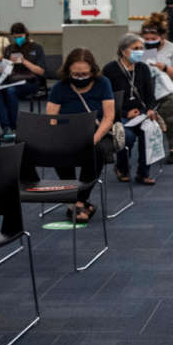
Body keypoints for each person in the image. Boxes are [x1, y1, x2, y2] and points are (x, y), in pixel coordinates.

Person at [24, 48, 116, 223]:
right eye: (76, 74)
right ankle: (77, 201)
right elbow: (51, 118)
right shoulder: (61, 87)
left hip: (97, 133)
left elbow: (108, 118)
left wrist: (92, 139)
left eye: (84, 74)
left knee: (97, 151)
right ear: (68, 71)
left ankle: (77, 200)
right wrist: (61, 137)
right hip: (66, 134)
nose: (80, 77)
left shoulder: (103, 83)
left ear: (92, 71)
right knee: (60, 149)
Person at [103, 33, 161, 186]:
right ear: (123, 51)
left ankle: (144, 173)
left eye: (142, 48)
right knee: (125, 135)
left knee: (148, 131)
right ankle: (121, 168)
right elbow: (106, 100)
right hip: (118, 114)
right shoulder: (110, 69)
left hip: (141, 114)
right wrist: (124, 113)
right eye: (135, 48)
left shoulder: (143, 68)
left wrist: (149, 110)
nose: (140, 52)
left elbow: (150, 96)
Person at [140, 13, 173, 164]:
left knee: (172, 107)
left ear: (162, 36)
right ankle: (147, 148)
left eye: (153, 39)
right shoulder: (142, 50)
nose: (149, 42)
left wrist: (165, 68)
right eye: (146, 39)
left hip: (172, 90)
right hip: (150, 91)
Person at [0, 22, 46, 143]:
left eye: (20, 36)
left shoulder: (36, 48)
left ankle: (14, 128)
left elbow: (41, 71)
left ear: (25, 34)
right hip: (11, 80)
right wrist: (0, 67)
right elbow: (4, 68)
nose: (18, 39)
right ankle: (6, 128)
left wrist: (24, 61)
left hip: (30, 81)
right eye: (15, 37)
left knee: (10, 91)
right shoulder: (10, 48)